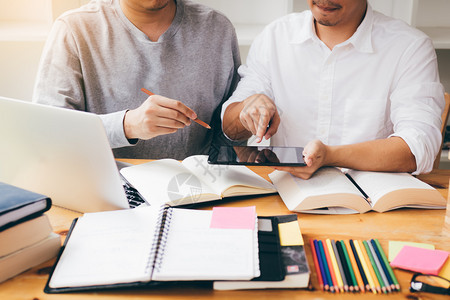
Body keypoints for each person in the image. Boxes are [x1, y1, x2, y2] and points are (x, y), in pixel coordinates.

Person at [221, 0, 445, 179]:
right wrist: (247, 110)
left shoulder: (409, 46)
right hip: (287, 197)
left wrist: (330, 156)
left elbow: (418, 149)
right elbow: (229, 127)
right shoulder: (275, 37)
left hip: (371, 207)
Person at [33, 0, 240, 160]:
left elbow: (227, 135)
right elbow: (49, 133)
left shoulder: (217, 28)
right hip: (105, 195)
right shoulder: (74, 28)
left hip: (195, 194)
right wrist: (127, 126)